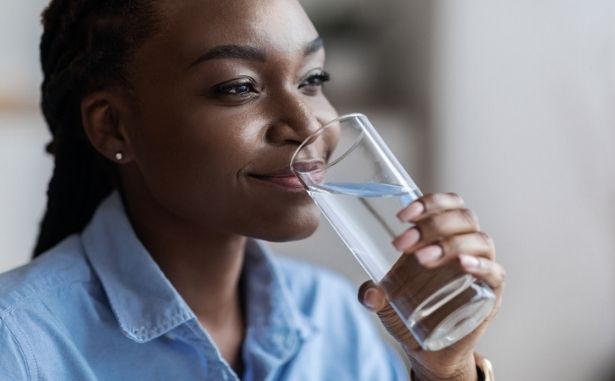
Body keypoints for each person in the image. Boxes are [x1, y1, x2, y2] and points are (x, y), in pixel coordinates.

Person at [0, 0, 505, 380]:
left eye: (312, 79)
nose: (306, 122)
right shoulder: (19, 342)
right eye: (238, 87)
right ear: (114, 127)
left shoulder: (335, 318)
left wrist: (446, 367)